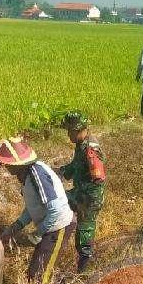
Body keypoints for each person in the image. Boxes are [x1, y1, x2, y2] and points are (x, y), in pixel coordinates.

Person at [0, 137, 75, 284]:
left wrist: (37, 234)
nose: (6, 167)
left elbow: (56, 210)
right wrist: (15, 227)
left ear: (17, 163)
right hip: (50, 228)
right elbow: (33, 207)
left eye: (7, 164)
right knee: (35, 273)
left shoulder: (37, 174)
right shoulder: (26, 175)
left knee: (39, 277)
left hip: (58, 227)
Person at [58, 112, 106, 272]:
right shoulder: (81, 144)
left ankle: (84, 270)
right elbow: (75, 165)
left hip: (89, 199)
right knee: (58, 201)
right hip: (81, 193)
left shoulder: (90, 149)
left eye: (70, 131)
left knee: (84, 233)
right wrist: (61, 172)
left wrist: (82, 199)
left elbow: (98, 178)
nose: (68, 135)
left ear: (79, 130)